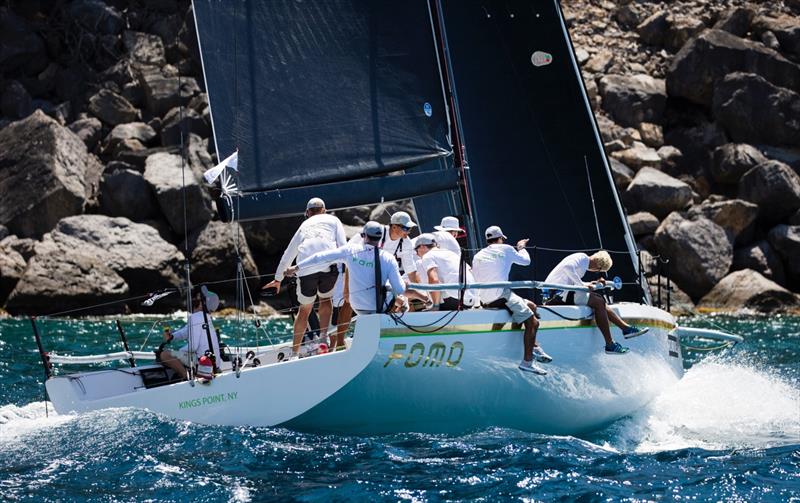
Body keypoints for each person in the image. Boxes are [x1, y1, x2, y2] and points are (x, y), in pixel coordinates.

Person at [263, 197, 346, 356]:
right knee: (325, 300)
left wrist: (278, 279)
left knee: (304, 310)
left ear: (307, 213)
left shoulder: (303, 225)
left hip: (305, 269)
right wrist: (345, 272)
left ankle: (294, 353)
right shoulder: (333, 220)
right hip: (328, 267)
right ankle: (323, 339)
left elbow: (289, 253)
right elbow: (343, 246)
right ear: (324, 210)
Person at [471, 225, 551, 375]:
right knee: (533, 322)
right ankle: (527, 362)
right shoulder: (506, 248)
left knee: (532, 306)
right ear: (500, 238)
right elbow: (526, 261)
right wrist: (521, 247)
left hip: (486, 298)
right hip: (501, 294)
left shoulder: (478, 255)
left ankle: (535, 347)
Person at [286, 221, 408, 316]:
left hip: (357, 306)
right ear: (380, 238)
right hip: (379, 307)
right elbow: (400, 289)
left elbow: (320, 257)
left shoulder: (350, 251)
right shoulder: (388, 258)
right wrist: (402, 283)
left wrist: (296, 267)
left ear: (364, 236)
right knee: (401, 298)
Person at [544, 251, 648, 354]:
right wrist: (582, 285)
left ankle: (625, 329)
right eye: (599, 270)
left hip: (560, 293)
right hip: (556, 295)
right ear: (598, 266)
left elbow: (570, 279)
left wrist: (589, 283)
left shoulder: (581, 260)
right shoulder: (583, 258)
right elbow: (568, 268)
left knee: (599, 300)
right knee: (599, 302)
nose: (595, 271)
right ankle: (612, 342)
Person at [160, 289, 222, 380]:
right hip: (214, 363)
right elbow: (186, 331)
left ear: (201, 304)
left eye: (195, 298)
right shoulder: (205, 317)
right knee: (175, 353)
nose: (193, 300)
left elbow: (193, 347)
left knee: (164, 355)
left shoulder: (195, 317)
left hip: (202, 363)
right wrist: (172, 337)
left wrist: (179, 352)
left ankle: (187, 377)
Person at [350, 211, 420, 283]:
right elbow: (357, 254)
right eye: (406, 228)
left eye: (410, 229)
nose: (408, 232)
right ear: (394, 227)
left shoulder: (406, 243)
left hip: (378, 273)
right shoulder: (377, 232)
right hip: (357, 268)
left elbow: (410, 268)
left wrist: (419, 288)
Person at [414, 233, 475, 310]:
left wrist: (435, 306)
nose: (417, 254)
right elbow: (470, 270)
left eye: (416, 250)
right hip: (472, 297)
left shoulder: (428, 256)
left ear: (422, 246)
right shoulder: (449, 253)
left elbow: (434, 280)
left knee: (431, 311)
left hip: (457, 298)